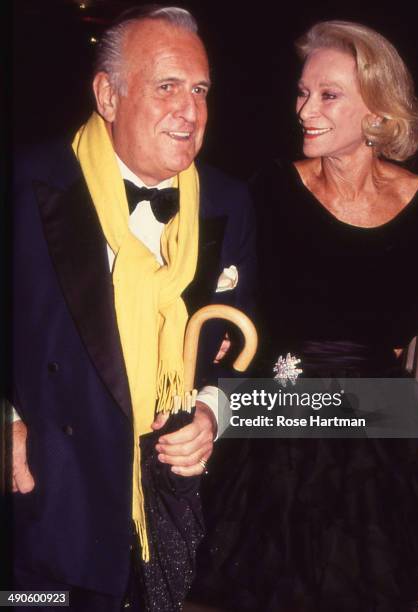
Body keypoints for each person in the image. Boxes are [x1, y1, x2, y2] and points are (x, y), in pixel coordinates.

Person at [189, 20, 418, 612]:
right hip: (272, 426)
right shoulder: (269, 192)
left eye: (328, 94)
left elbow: (407, 320)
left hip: (370, 439)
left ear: (378, 110)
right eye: (302, 92)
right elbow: (227, 298)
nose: (305, 110)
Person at [10, 5, 255, 611]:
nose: (191, 110)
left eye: (200, 89)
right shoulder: (24, 183)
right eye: (167, 86)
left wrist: (210, 413)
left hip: (167, 505)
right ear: (108, 95)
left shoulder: (229, 201)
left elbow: (244, 338)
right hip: (47, 494)